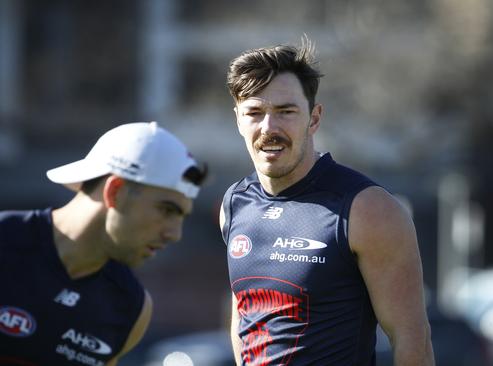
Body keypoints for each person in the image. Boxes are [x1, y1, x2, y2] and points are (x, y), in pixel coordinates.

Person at [219, 40, 434, 365]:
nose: (269, 128)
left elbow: (410, 337)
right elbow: (245, 316)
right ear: (238, 120)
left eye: (286, 112)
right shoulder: (234, 204)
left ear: (314, 118)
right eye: (255, 113)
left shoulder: (367, 209)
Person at [0, 121, 206, 365]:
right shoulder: (5, 240)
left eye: (182, 216)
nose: (175, 234)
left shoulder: (132, 307)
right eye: (167, 210)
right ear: (115, 191)